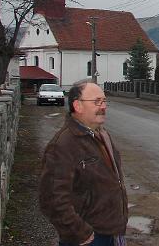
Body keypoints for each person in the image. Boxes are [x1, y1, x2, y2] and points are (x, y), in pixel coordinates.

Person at [39, 82, 128, 246]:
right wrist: (79, 232)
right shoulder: (63, 144)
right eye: (97, 102)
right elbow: (51, 199)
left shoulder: (101, 134)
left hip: (111, 233)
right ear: (77, 105)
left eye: (104, 101)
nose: (103, 107)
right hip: (88, 238)